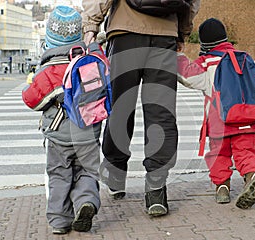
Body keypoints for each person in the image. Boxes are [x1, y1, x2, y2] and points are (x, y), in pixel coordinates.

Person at [81, 0, 200, 216]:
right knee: (161, 111)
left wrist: (91, 24)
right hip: (165, 32)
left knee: (119, 107)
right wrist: (183, 30)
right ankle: (156, 188)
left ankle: (116, 174)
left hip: (125, 30)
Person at [177, 18, 255, 209]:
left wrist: (176, 56)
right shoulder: (248, 58)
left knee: (219, 155)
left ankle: (222, 189)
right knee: (246, 153)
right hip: (249, 119)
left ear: (204, 43)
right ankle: (252, 175)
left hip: (220, 122)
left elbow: (186, 76)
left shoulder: (207, 62)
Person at [23, 6, 101, 234]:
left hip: (59, 136)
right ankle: (86, 201)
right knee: (87, 171)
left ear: (50, 39)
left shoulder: (47, 71)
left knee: (59, 174)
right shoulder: (89, 64)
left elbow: (31, 101)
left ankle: (59, 221)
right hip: (88, 131)